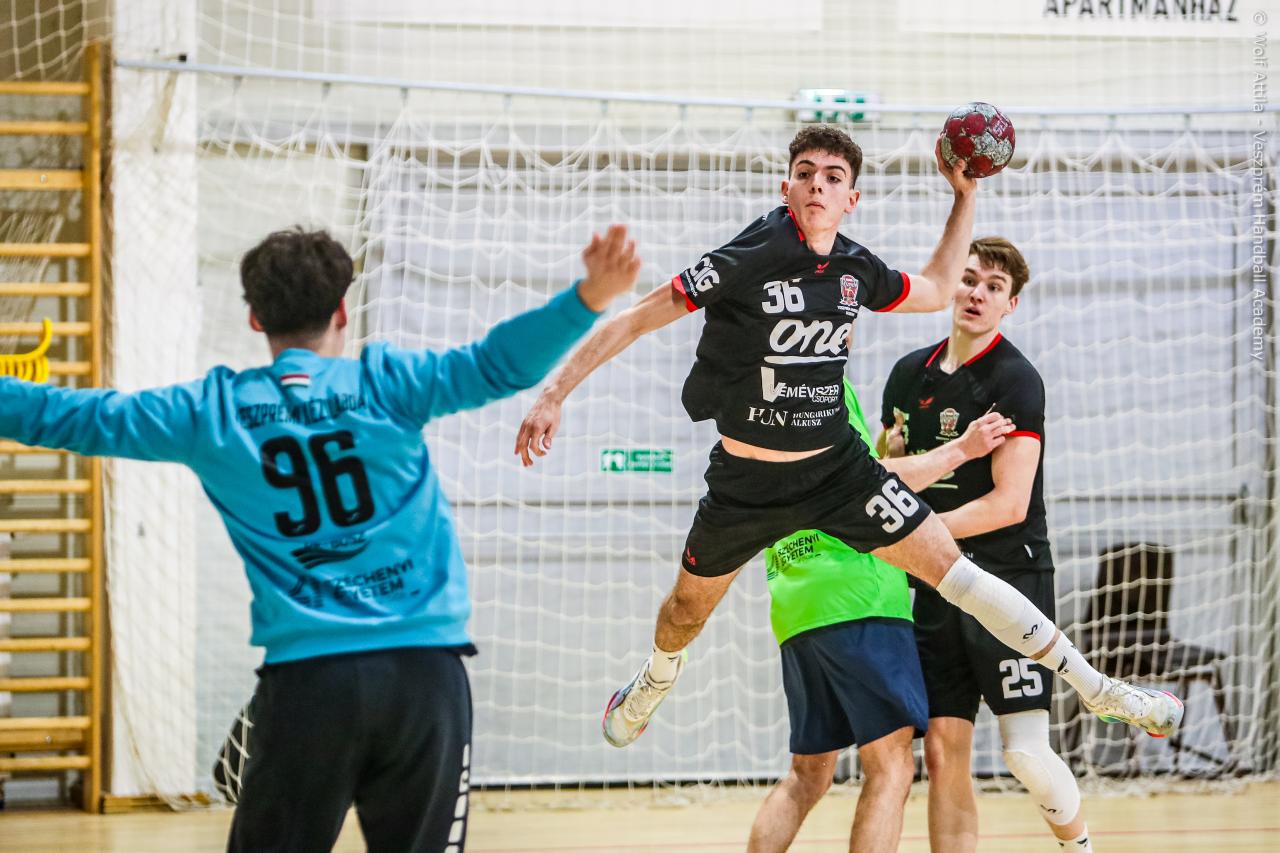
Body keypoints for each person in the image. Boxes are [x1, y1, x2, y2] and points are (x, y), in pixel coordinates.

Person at [513, 125, 1181, 758]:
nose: (818, 185)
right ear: (787, 188)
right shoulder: (750, 255)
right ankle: (656, 677)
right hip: (747, 483)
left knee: (957, 574)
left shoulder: (855, 268)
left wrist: (965, 196)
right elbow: (635, 317)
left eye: (833, 177)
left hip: (839, 474)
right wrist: (553, 394)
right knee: (685, 610)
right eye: (805, 173)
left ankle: (1101, 689)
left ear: (850, 199)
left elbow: (937, 288)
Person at [0, 225, 641, 852]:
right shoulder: (385, 384)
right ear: (341, 310)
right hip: (423, 680)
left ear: (255, 318)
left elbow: (68, 417)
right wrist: (587, 298)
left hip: (307, 687)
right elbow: (495, 365)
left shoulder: (210, 412)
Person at [880, 238, 1110, 853]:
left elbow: (1009, 505)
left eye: (993, 287)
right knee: (942, 749)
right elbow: (890, 470)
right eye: (969, 279)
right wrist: (894, 463)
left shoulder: (1015, 379)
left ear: (1011, 304)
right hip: (937, 582)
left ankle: (1079, 846)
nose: (976, 293)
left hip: (1010, 576)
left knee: (1024, 752)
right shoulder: (907, 375)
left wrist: (918, 533)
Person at [747, 377, 1013, 853]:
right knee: (891, 767)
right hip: (859, 596)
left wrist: (883, 450)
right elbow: (869, 484)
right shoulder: (825, 381)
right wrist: (963, 449)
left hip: (795, 599)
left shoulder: (759, 393)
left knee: (807, 775)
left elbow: (826, 478)